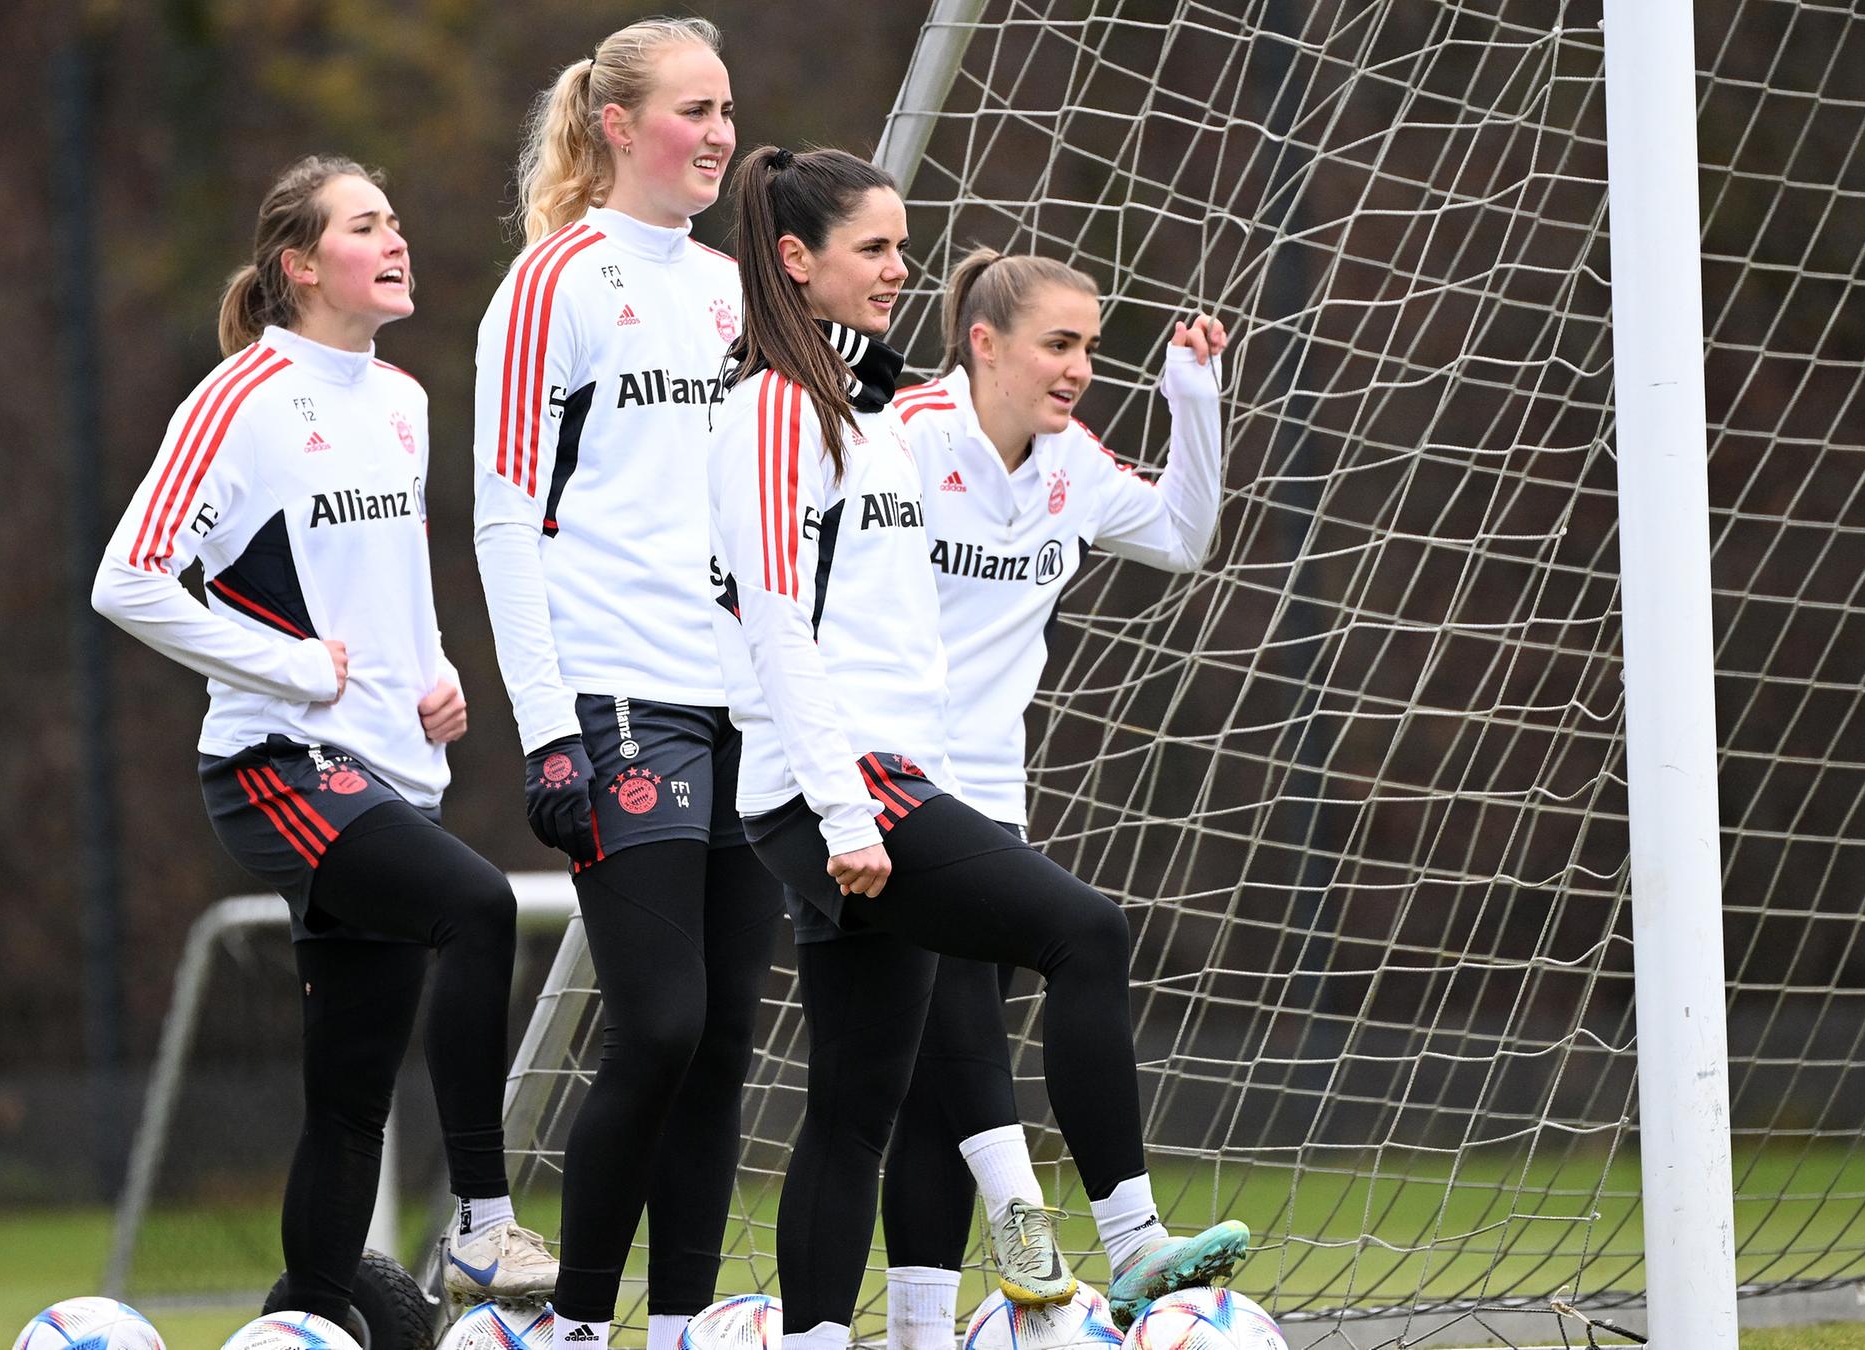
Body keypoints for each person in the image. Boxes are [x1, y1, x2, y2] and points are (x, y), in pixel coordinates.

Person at [704, 145, 1251, 1350]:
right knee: (1087, 931)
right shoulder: (771, 406)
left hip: (887, 781)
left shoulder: (862, 413)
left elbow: (888, 619)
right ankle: (1132, 1240)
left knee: (860, 1101)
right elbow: (775, 617)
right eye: (877, 249)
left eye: (904, 247)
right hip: (847, 785)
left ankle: (856, 1337)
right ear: (797, 263)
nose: (905, 270)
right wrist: (844, 809)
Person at [91, 155, 556, 1338]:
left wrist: (435, 675)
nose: (396, 240)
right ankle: (480, 1220)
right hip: (277, 765)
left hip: (386, 769)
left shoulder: (400, 400)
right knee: (478, 907)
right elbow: (127, 580)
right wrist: (291, 669)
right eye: (365, 226)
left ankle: (311, 1321)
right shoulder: (241, 399)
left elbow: (385, 583)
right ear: (300, 265)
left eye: (397, 220)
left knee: (349, 1100)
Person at [470, 20, 780, 1350]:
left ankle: (683, 1325)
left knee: (722, 1045)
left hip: (743, 703)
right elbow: (502, 517)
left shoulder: (733, 288)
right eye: (692, 110)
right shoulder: (557, 282)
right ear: (613, 122)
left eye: (726, 110)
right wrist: (548, 732)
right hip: (615, 697)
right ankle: (576, 1325)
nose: (716, 133)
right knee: (659, 1022)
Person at [878, 251, 1231, 1350]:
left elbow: (1182, 536)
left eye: (1090, 346)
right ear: (984, 342)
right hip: (883, 785)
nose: (1080, 367)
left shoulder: (1069, 462)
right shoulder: (900, 436)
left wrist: (1193, 397)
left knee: (939, 1082)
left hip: (990, 793)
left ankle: (923, 1331)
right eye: (1058, 343)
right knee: (1074, 944)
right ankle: (1104, 1234)